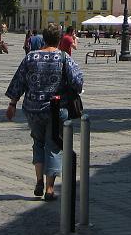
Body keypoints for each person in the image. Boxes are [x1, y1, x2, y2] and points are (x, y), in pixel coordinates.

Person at [5, 25, 85, 202]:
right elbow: (77, 82)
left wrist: (12, 104)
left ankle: (39, 180)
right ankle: (49, 188)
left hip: (33, 108)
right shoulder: (63, 57)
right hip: (57, 109)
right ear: (58, 40)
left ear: (43, 39)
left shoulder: (30, 57)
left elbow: (18, 81)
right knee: (54, 146)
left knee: (38, 143)